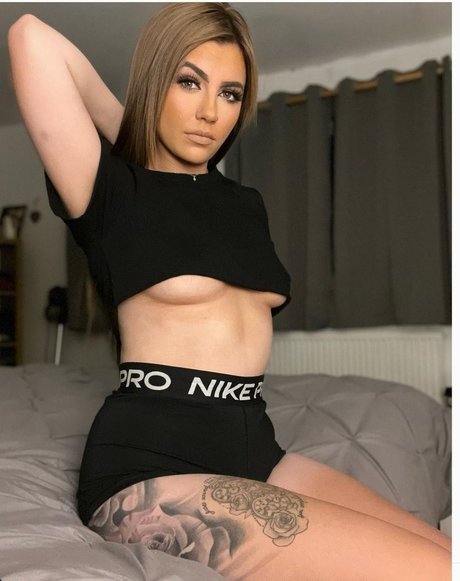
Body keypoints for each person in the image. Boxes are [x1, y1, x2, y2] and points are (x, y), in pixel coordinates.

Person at [8, 3, 451, 579]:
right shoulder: (113, 191)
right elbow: (30, 38)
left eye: (231, 93)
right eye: (188, 82)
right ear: (154, 85)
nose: (209, 112)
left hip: (256, 449)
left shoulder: (242, 205)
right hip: (149, 470)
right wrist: (137, 138)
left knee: (446, 556)